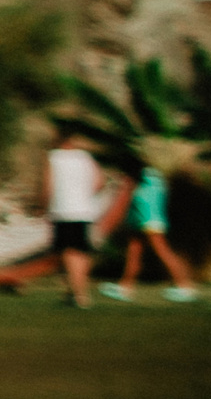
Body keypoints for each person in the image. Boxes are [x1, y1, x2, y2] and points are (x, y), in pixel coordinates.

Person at [112, 164, 199, 302]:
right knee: (134, 253)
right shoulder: (154, 178)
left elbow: (140, 201)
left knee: (163, 253)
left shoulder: (144, 181)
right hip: (144, 221)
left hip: (149, 222)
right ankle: (125, 287)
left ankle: (185, 287)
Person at [43, 128, 107, 306]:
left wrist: (42, 206)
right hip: (85, 210)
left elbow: (48, 186)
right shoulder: (86, 158)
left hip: (63, 210)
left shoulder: (54, 157)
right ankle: (73, 291)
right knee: (82, 252)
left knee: (69, 251)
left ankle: (80, 294)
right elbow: (100, 182)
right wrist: (85, 196)